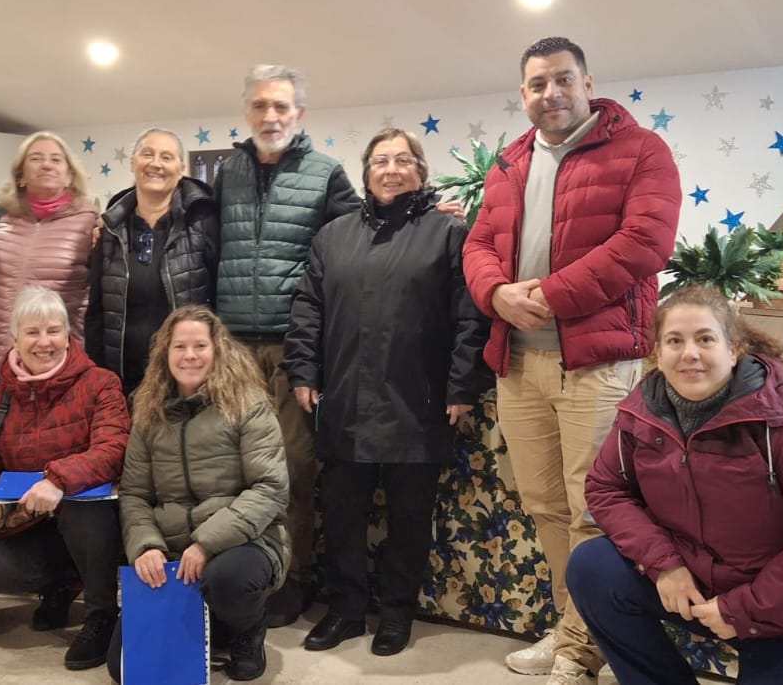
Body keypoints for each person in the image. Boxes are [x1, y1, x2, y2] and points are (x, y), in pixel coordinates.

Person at [462, 36, 682, 683]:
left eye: (562, 80)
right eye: (537, 84)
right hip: (518, 363)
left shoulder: (641, 149)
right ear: (523, 93)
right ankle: (572, 631)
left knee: (593, 508)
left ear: (588, 83)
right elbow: (477, 245)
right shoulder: (510, 162)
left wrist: (550, 297)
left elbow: (645, 242)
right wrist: (496, 295)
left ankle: (582, 650)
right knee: (544, 505)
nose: (550, 93)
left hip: (598, 365)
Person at [567, 286, 783, 685]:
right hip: (705, 590)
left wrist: (743, 610)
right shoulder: (641, 410)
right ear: (657, 354)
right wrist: (664, 564)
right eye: (675, 341)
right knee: (593, 567)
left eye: (705, 339)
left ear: (734, 349)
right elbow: (606, 489)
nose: (690, 353)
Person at [283, 128, 492, 656]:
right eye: (381, 160)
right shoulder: (332, 236)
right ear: (367, 172)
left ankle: (397, 613)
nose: (392, 169)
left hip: (418, 399)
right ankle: (346, 610)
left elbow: (470, 315)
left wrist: (462, 384)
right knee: (342, 514)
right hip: (344, 398)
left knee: (409, 518)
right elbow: (308, 309)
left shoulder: (448, 232)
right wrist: (303, 372)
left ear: (420, 170)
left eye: (403, 160)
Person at [213, 64, 361, 626]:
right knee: (230, 467)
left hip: (293, 346)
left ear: (299, 113)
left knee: (293, 467)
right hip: (230, 350)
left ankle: (291, 577)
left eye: (281, 106)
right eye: (260, 105)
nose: (270, 116)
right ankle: (236, 573)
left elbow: (358, 240)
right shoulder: (226, 172)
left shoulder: (325, 173)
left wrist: (426, 213)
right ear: (246, 111)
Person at [0, 285, 128, 671]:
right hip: (28, 519)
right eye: (32, 332)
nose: (43, 342)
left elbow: (113, 448)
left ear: (68, 335)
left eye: (53, 330)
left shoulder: (101, 383)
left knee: (83, 507)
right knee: (3, 569)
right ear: (15, 338)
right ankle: (59, 588)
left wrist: (58, 480)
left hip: (86, 518)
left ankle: (101, 614)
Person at [109, 305, 288, 682]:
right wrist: (147, 546)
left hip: (246, 542)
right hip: (172, 549)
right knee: (122, 667)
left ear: (217, 349)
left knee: (228, 580)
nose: (190, 355)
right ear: (165, 353)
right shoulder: (148, 411)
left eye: (200, 346)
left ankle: (248, 627)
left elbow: (269, 488)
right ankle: (211, 623)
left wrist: (207, 543)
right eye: (180, 346)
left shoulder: (248, 404)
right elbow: (135, 494)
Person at [87, 127, 219, 393]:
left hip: (187, 380)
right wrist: (97, 377)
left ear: (181, 169)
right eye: (147, 154)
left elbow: (219, 300)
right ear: (133, 163)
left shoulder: (204, 221)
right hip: (122, 379)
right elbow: (96, 311)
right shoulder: (111, 228)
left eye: (166, 157)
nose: (156, 164)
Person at [0, 132, 99, 372]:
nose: (46, 165)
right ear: (20, 175)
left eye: (56, 159)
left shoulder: (90, 222)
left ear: (70, 174)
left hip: (56, 360)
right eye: (36, 158)